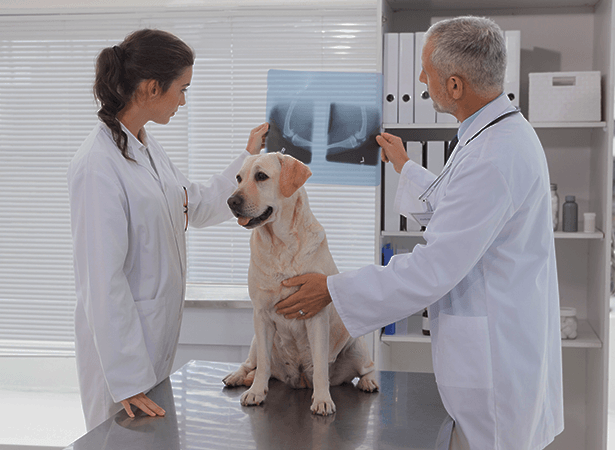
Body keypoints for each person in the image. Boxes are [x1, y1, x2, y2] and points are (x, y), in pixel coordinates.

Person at [276, 16, 564, 450]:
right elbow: (458, 211)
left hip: (495, 366)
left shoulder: (493, 154)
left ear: (453, 85)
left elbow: (434, 268)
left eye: (425, 70)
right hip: (499, 347)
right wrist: (405, 167)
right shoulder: (491, 135)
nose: (418, 80)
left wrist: (333, 289)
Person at [67, 29, 268, 431]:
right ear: (152, 87)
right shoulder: (97, 165)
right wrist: (126, 380)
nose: (183, 101)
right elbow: (101, 281)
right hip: (120, 367)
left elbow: (193, 203)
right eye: (182, 89)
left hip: (152, 347)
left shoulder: (145, 148)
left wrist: (249, 159)